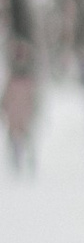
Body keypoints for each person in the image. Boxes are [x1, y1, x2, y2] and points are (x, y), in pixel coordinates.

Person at [3, 46, 36, 175]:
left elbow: (33, 98)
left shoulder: (27, 79)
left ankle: (27, 160)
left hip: (23, 112)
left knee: (25, 137)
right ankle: (18, 161)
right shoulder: (13, 78)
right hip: (15, 112)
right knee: (15, 138)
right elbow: (6, 96)